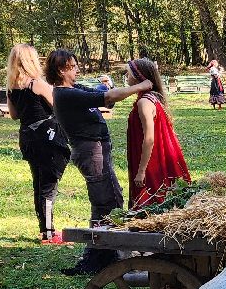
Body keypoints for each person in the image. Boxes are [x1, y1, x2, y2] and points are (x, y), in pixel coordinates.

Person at [27, 48, 154, 274]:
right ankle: (99, 257)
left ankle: (101, 254)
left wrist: (109, 86)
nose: (77, 69)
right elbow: (107, 98)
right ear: (61, 70)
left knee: (107, 199)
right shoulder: (64, 94)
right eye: (73, 66)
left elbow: (107, 99)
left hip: (96, 150)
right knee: (107, 201)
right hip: (90, 152)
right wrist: (141, 86)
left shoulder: (73, 89)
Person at [5, 43, 69, 244]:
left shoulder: (12, 87)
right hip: (46, 138)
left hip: (27, 138)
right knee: (49, 186)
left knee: (39, 183)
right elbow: (59, 106)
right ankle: (49, 234)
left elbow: (14, 116)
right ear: (31, 60)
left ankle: (44, 230)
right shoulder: (37, 83)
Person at [124, 57, 191, 209]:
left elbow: (149, 138)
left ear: (138, 76)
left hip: (151, 162)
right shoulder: (153, 98)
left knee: (151, 203)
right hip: (152, 158)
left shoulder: (144, 103)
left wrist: (141, 171)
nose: (126, 77)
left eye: (128, 74)